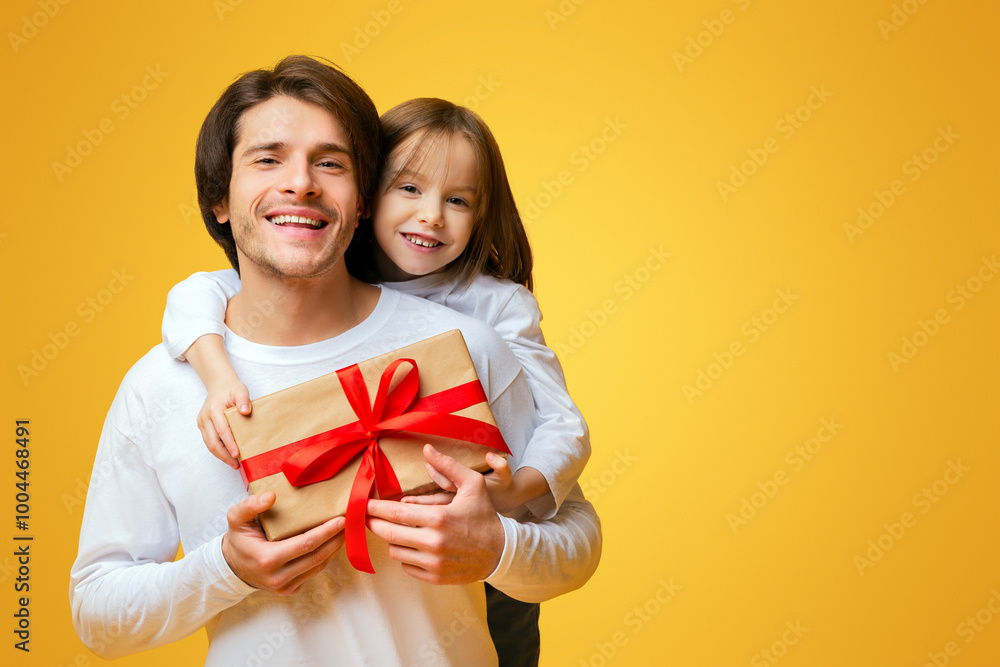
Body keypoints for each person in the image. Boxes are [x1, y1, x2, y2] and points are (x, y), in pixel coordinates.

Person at [70, 56, 601, 665]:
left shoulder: (468, 347)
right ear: (220, 199)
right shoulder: (162, 384)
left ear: (363, 199)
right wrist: (223, 570)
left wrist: (498, 550)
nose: (301, 183)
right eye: (268, 159)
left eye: (330, 163)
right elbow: (96, 613)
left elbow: (576, 539)